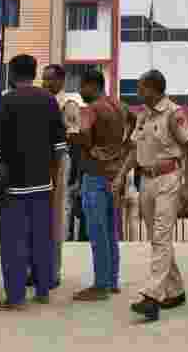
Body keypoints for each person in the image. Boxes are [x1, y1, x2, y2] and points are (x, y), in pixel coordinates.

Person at [112, 69, 188, 321]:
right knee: (157, 238)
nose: (137, 92)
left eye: (140, 87)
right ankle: (176, 289)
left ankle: (152, 297)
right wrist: (120, 175)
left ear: (153, 89)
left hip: (168, 179)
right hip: (146, 181)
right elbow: (134, 150)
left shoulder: (174, 113)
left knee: (161, 236)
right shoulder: (143, 116)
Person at [0, 54, 64, 311]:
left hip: (13, 186)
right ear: (33, 73)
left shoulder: (6, 101)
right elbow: (60, 148)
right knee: (42, 239)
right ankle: (42, 291)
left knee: (13, 242)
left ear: (12, 73)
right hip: (43, 185)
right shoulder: (49, 100)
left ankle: (16, 297)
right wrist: (50, 176)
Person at [70, 68, 127, 303]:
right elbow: (130, 127)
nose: (81, 92)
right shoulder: (118, 106)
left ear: (92, 85)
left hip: (95, 173)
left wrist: (75, 140)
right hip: (114, 175)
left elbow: (82, 132)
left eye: (82, 87)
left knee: (97, 231)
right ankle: (112, 281)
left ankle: (100, 285)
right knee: (111, 231)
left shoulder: (92, 109)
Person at [41, 64, 81, 289]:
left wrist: (73, 173)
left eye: (50, 80)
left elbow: (74, 139)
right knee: (39, 217)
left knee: (55, 217)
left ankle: (53, 272)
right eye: (43, 79)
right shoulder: (40, 101)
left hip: (59, 161)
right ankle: (36, 268)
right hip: (40, 162)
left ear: (61, 81)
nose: (45, 84)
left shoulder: (68, 104)